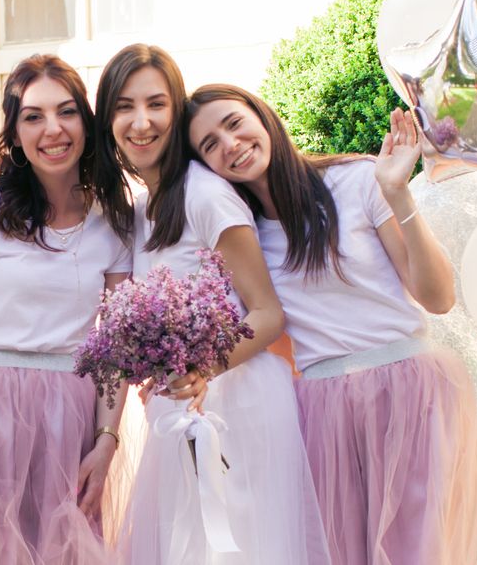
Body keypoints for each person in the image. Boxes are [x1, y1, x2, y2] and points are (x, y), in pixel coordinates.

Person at [185, 83, 477, 564]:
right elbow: (259, 329)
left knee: (416, 550)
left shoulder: (357, 179)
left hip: (408, 390)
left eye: (233, 123)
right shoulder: (241, 235)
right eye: (209, 145)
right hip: (322, 407)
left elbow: (438, 297)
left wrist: (397, 193)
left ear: (261, 116)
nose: (229, 145)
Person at [97, 45, 332, 564]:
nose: (141, 121)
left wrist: (204, 367)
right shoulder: (139, 209)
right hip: (180, 408)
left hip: (239, 405)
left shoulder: (206, 194)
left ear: (175, 112)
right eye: (124, 107)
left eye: (156, 104)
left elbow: (268, 313)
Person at [0, 54, 134, 565]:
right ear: (15, 132)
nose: (53, 129)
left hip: (73, 417)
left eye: (66, 112)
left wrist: (106, 440)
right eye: (33, 116)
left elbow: (115, 346)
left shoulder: (112, 220)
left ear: (86, 123)